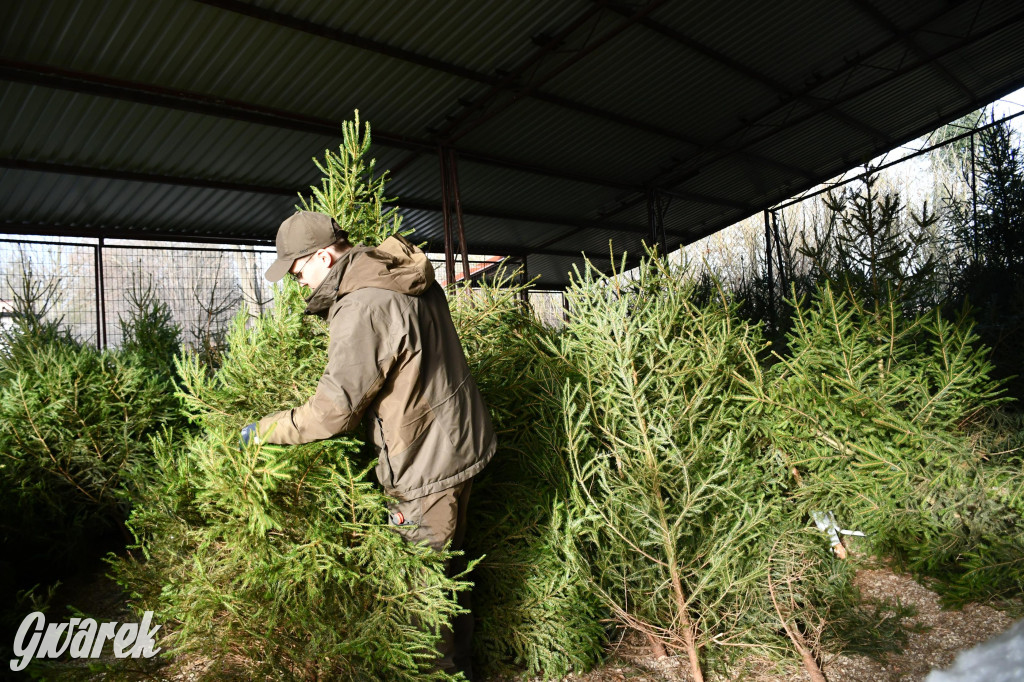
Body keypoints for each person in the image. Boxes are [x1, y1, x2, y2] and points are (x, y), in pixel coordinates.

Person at [241, 211, 495, 678]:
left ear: (322, 255)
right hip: (459, 441)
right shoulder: (395, 273)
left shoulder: (363, 305)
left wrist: (265, 430)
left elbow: (332, 412)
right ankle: (460, 668)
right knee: (448, 575)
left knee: (422, 593)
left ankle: (443, 674)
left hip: (424, 463)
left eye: (298, 270)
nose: (296, 281)